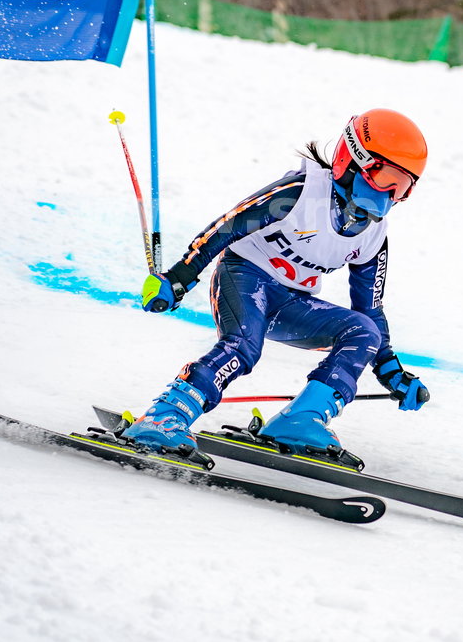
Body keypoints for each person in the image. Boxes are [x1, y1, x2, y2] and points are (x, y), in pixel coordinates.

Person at [122, 108, 430, 457]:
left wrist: (391, 370)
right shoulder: (301, 194)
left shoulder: (374, 236)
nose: (390, 194)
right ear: (353, 159)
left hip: (291, 302)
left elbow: (370, 310)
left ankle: (300, 420)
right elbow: (228, 226)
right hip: (245, 276)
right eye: (385, 176)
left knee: (362, 332)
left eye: (402, 186)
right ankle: (164, 417)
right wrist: (179, 278)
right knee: (243, 346)